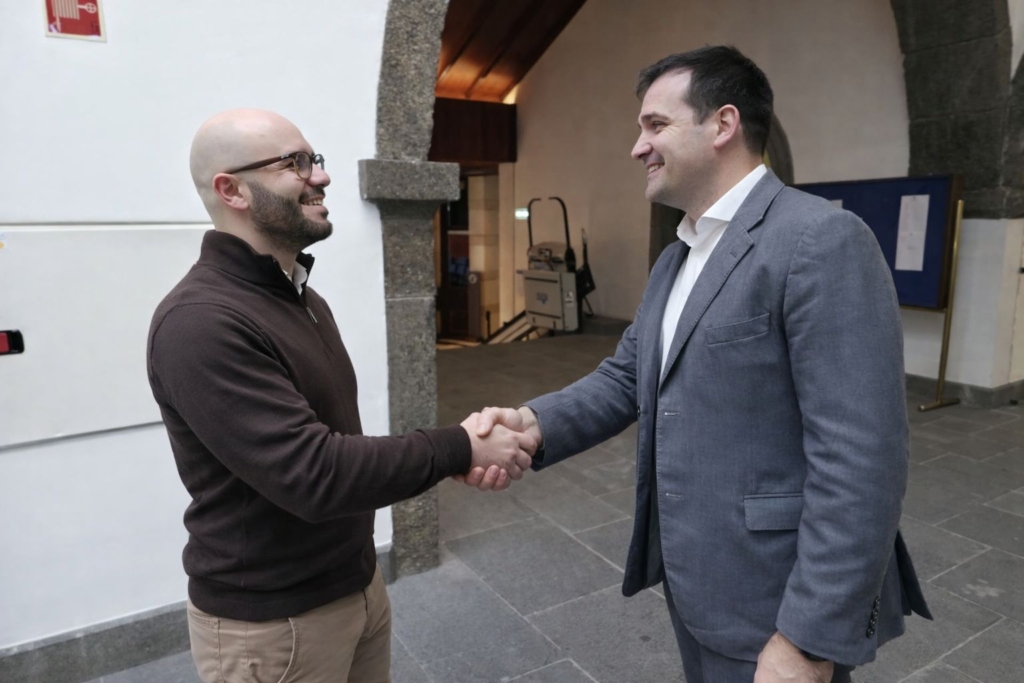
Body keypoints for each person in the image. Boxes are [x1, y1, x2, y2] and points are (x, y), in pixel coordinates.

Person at [469, 46, 931, 682]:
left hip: (775, 603)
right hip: (698, 581)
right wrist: (530, 423)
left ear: (723, 124)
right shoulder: (677, 256)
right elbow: (628, 376)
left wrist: (807, 640)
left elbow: (862, 459)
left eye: (656, 125)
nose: (638, 146)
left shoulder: (818, 240)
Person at [147, 108, 536, 683]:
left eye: (316, 160)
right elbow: (315, 473)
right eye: (296, 163)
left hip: (354, 585)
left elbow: (334, 445)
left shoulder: (301, 296)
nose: (321, 177)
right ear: (232, 190)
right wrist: (462, 447)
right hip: (275, 623)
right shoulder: (201, 321)